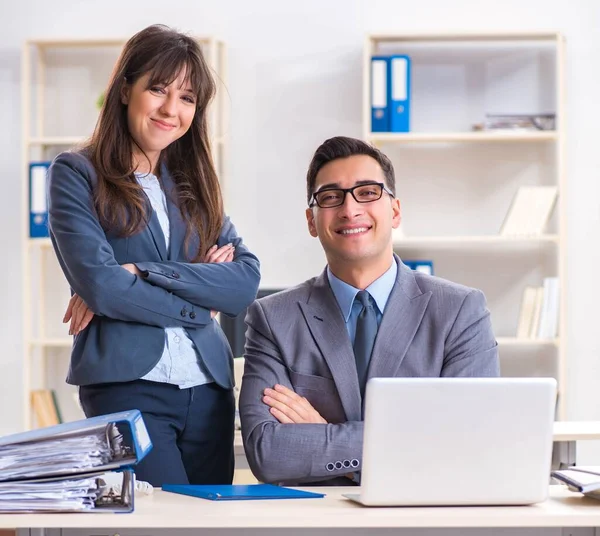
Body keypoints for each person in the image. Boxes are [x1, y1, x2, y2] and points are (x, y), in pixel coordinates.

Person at [47, 24, 260, 487]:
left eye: (186, 98)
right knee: (160, 522)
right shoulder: (76, 173)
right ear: (126, 89)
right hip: (127, 387)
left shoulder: (195, 185)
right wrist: (198, 302)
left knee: (209, 523)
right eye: (158, 90)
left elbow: (243, 283)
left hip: (209, 390)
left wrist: (141, 271)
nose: (171, 109)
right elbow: (103, 286)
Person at [239, 136, 499, 486]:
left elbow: (469, 442)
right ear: (312, 221)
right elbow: (269, 454)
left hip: (424, 517)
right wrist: (409, 440)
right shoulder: (273, 318)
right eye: (331, 197)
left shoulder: (460, 311)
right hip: (317, 521)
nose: (349, 209)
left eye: (367, 192)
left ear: (394, 211)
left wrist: (324, 433)